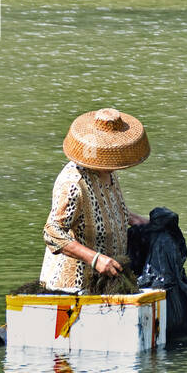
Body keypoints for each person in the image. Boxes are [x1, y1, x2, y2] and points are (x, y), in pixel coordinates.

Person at [39, 107, 150, 294]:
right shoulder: (73, 183)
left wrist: (136, 220)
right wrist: (95, 259)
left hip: (106, 285)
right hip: (73, 290)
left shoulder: (109, 173)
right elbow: (52, 233)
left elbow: (103, 207)